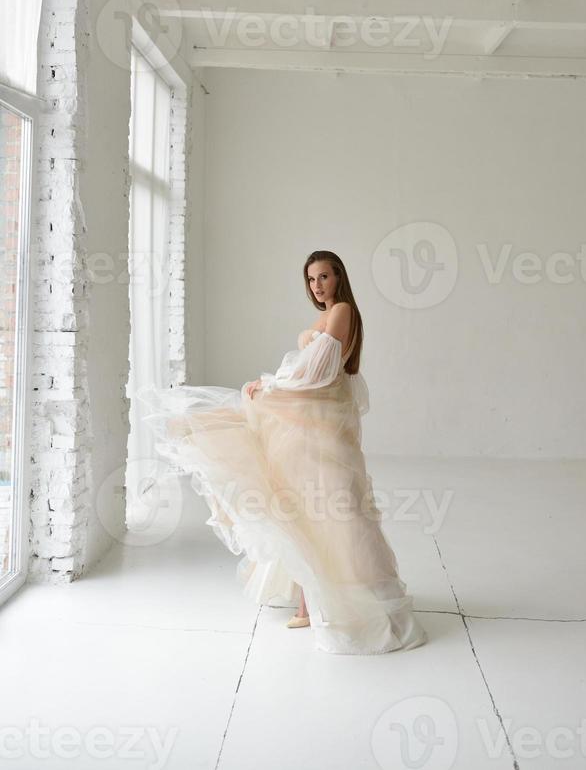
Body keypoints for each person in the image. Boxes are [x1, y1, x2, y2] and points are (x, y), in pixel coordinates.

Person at [141, 250, 427, 655]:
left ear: (338, 277)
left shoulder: (342, 309)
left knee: (325, 513)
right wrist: (271, 385)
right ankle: (311, 599)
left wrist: (270, 386)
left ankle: (332, 601)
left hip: (315, 430)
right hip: (310, 425)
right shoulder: (332, 312)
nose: (317, 286)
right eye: (311, 280)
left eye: (324, 277)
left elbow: (320, 374)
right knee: (307, 511)